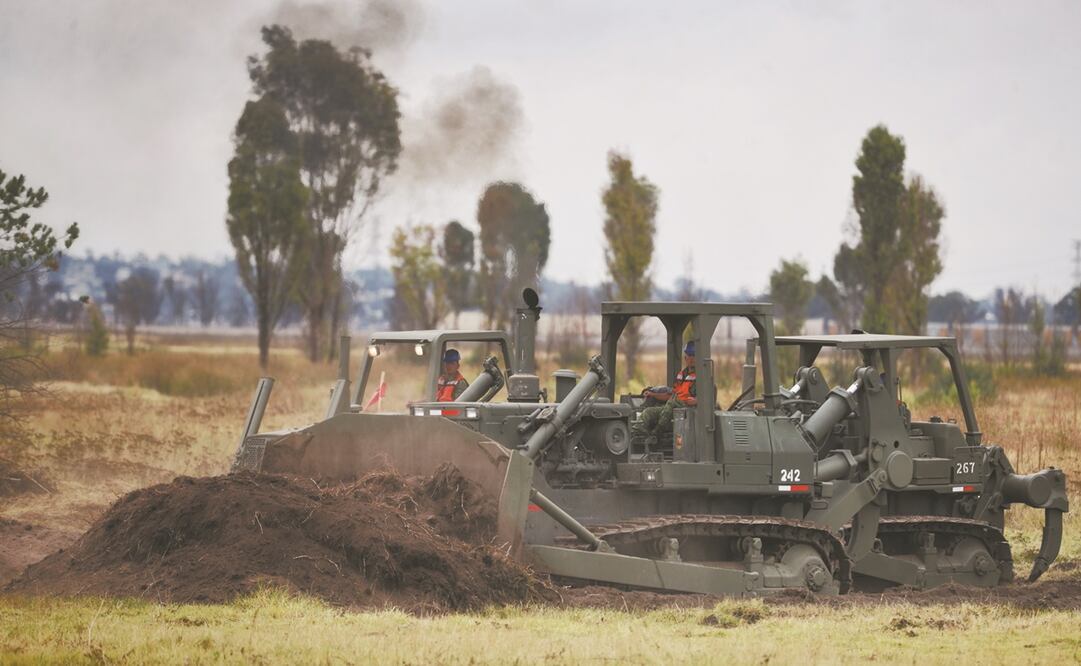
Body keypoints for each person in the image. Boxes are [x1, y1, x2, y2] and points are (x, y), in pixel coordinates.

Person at [633, 341, 697, 442]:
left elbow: (706, 398)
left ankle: (656, 433)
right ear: (685, 357)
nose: (692, 359)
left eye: (694, 355)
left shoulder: (702, 375)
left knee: (671, 403)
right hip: (673, 407)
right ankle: (636, 433)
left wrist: (696, 401)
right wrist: (652, 394)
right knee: (648, 412)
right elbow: (671, 395)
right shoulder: (681, 374)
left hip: (688, 409)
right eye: (690, 355)